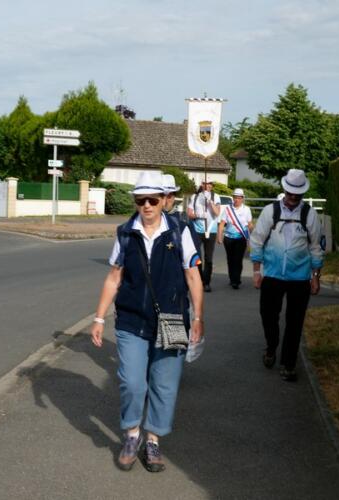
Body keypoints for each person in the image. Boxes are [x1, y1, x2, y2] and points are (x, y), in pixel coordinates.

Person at [90, 171, 204, 473]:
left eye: (153, 199)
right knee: (132, 381)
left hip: (172, 318)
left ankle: (153, 440)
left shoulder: (179, 231)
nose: (148, 205)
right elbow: (114, 277)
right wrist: (100, 316)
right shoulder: (126, 233)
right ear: (136, 201)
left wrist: (198, 318)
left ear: (162, 201)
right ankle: (131, 434)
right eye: (141, 200)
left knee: (164, 385)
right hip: (131, 320)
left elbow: (193, 276)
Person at [249, 169, 323, 382]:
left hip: (299, 278)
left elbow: (316, 247)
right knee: (268, 315)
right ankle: (272, 346)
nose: (293, 198)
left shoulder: (309, 214)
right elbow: (257, 242)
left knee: (295, 321)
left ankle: (288, 364)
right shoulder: (269, 212)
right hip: (272, 275)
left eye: (297, 195)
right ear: (284, 190)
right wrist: (256, 271)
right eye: (290, 193)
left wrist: (315, 275)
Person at [187, 180, 221, 292]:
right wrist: (198, 215)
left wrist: (210, 202)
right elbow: (189, 213)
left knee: (209, 258)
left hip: (211, 230)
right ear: (202, 185)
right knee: (197, 257)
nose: (208, 186)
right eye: (206, 183)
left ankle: (206, 282)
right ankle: (199, 280)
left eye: (210, 184)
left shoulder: (216, 197)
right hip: (197, 230)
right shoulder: (195, 197)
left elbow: (217, 213)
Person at [217, 188, 253, 289]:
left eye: (239, 198)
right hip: (228, 238)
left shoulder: (246, 209)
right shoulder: (228, 209)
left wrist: (251, 238)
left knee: (238, 259)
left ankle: (236, 280)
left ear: (242, 198)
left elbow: (250, 225)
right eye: (235, 197)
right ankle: (232, 278)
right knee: (230, 259)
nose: (236, 199)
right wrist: (219, 237)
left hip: (241, 238)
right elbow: (222, 224)